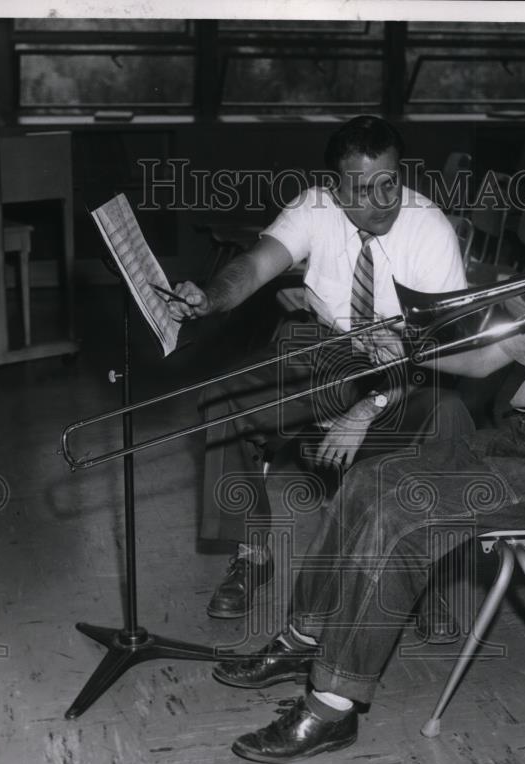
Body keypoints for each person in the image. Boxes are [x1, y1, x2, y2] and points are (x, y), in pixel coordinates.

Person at [211, 151, 525, 763]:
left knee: (406, 515)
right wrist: (403, 352)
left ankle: (334, 705)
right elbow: (482, 361)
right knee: (370, 479)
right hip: (517, 444)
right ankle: (304, 635)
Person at [169, 116, 468, 627]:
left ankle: (426, 571)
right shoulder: (314, 206)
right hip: (324, 348)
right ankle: (252, 553)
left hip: (410, 365)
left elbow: (446, 353)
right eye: (362, 189)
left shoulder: (430, 229)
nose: (382, 199)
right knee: (221, 401)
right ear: (336, 189)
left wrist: (368, 408)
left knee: (449, 415)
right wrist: (210, 297)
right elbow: (256, 266)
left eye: (389, 182)